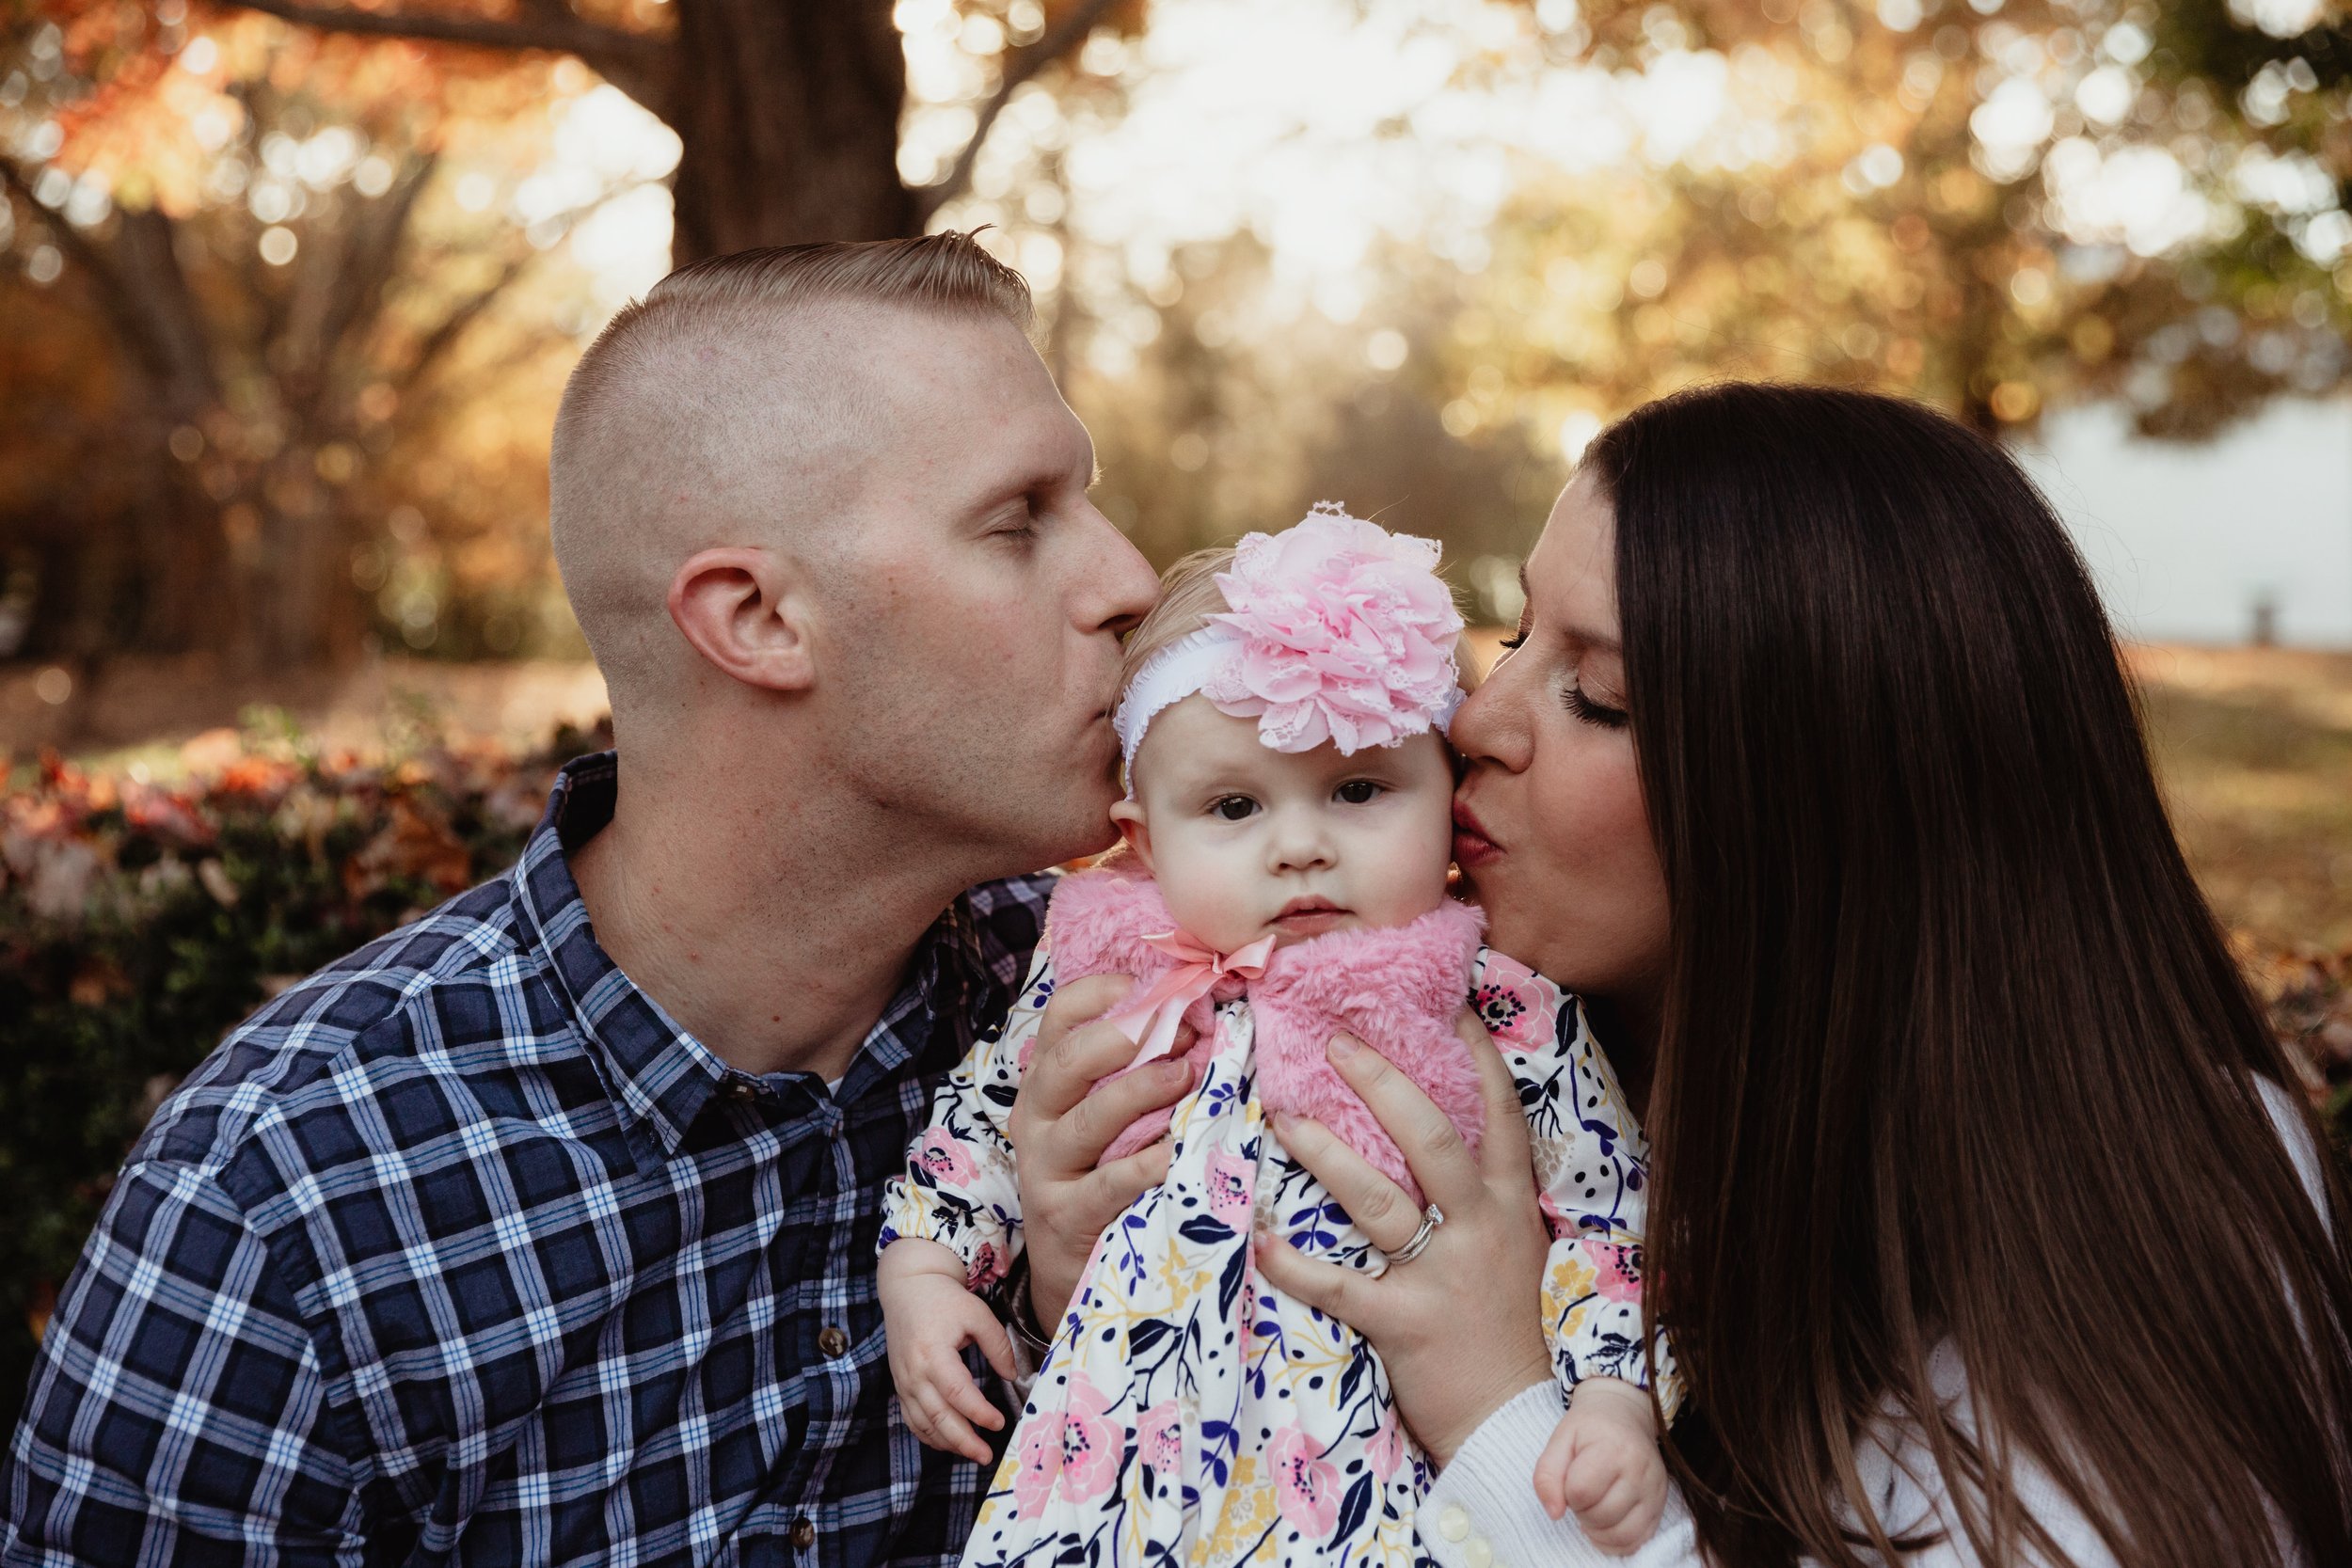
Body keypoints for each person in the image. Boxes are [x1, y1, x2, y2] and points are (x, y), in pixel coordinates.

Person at [0, 235, 1178, 1566]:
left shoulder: (1129, 1002)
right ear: (756, 619)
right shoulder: (294, 1203)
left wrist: (1109, 1316)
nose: (1131, 578)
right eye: (1020, 518)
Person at [1235, 382, 2352, 1567]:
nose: (1477, 716)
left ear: (1822, 805)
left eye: (1596, 697)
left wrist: (1499, 1414)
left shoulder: (2138, 1228)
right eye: (1512, 638)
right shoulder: (1526, 1074)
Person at [875, 508, 1676, 1567]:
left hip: (1372, 1487)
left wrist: (1613, 1395)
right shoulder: (1107, 974)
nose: (1299, 845)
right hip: (1119, 1483)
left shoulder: (1492, 1001)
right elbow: (979, 1125)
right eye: (1235, 806)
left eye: (1357, 790)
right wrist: (924, 1270)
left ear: (1445, 798)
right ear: (1142, 838)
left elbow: (1611, 1210)